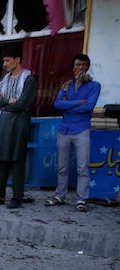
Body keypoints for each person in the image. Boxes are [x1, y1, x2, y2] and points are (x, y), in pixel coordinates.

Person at [0, 46, 37, 209]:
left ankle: (17, 197)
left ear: (17, 60)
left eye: (8, 60)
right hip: (3, 122)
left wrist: (4, 102)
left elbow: (22, 103)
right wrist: (7, 101)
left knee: (16, 159)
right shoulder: (4, 80)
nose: (5, 64)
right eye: (4, 60)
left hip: (19, 122)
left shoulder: (28, 79)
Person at [48, 53, 100, 212]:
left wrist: (68, 104)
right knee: (62, 167)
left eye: (84, 65)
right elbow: (57, 104)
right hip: (65, 129)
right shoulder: (66, 85)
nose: (81, 68)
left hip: (81, 129)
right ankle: (60, 195)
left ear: (88, 67)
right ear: (73, 68)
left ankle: (82, 199)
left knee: (82, 167)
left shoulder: (94, 85)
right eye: (78, 65)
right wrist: (79, 102)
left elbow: (89, 107)